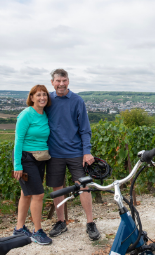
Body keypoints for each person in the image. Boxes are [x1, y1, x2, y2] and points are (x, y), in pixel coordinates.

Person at [45, 68, 100, 240]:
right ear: (52, 82)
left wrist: (86, 152)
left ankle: (90, 223)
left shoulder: (77, 101)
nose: (61, 84)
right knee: (57, 187)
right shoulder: (47, 100)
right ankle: (61, 222)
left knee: (83, 186)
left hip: (76, 152)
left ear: (68, 81)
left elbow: (85, 128)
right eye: (58, 81)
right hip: (54, 153)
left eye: (64, 80)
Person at [13, 85, 52, 245]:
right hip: (26, 159)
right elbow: (18, 141)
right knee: (38, 195)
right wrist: (17, 165)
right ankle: (37, 231)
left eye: (45, 95)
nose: (42, 97)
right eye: (38, 95)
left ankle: (19, 228)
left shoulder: (44, 114)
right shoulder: (26, 114)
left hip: (41, 158)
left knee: (26, 194)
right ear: (32, 97)